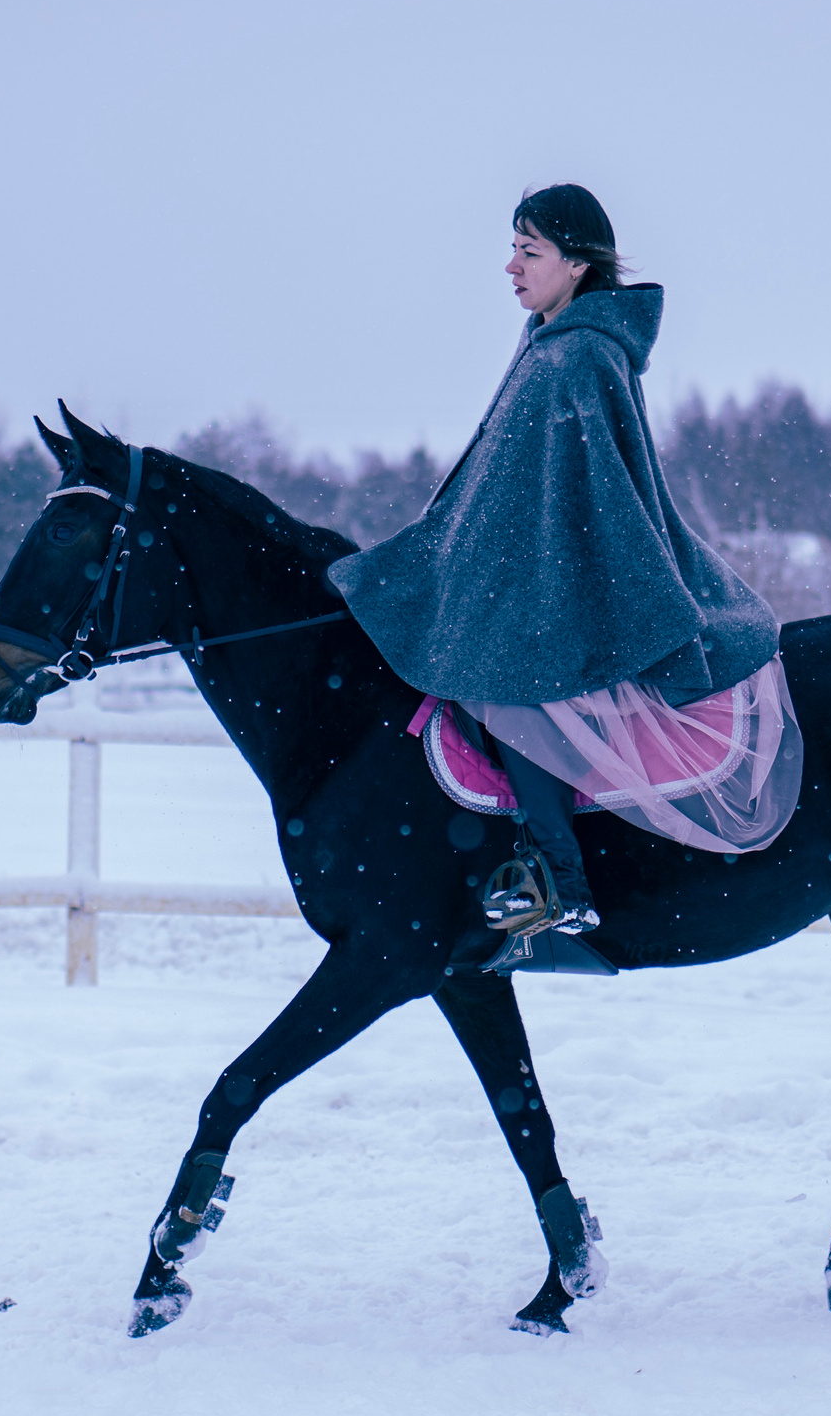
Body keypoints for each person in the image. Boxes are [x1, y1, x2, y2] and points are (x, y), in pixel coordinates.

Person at [329, 185, 802, 952]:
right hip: (541, 583)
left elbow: (597, 498)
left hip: (572, 588)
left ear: (576, 264)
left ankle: (561, 880)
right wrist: (443, 557)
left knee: (506, 690)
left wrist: (504, 576)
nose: (511, 266)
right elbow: (503, 489)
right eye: (515, 247)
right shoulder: (551, 344)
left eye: (530, 250)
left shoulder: (579, 356)